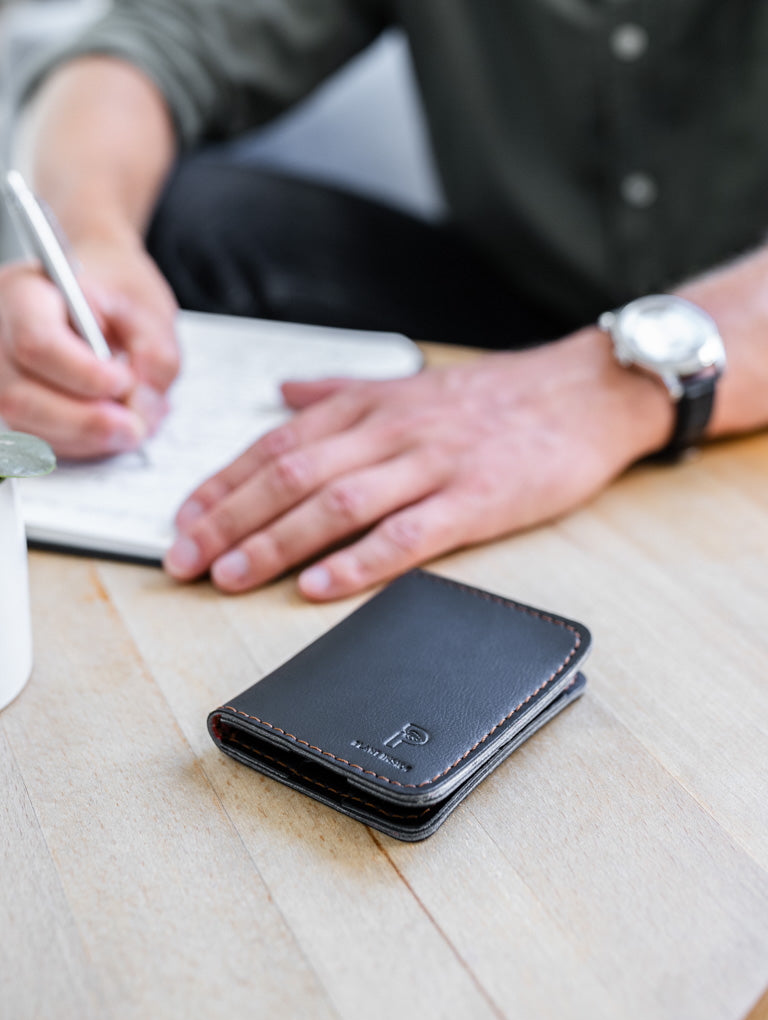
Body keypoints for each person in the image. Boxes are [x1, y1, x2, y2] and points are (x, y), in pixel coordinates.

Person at [2, 0, 768, 601]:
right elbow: (159, 39)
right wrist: (89, 239)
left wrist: (600, 389)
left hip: (734, 347)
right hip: (520, 302)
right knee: (198, 216)